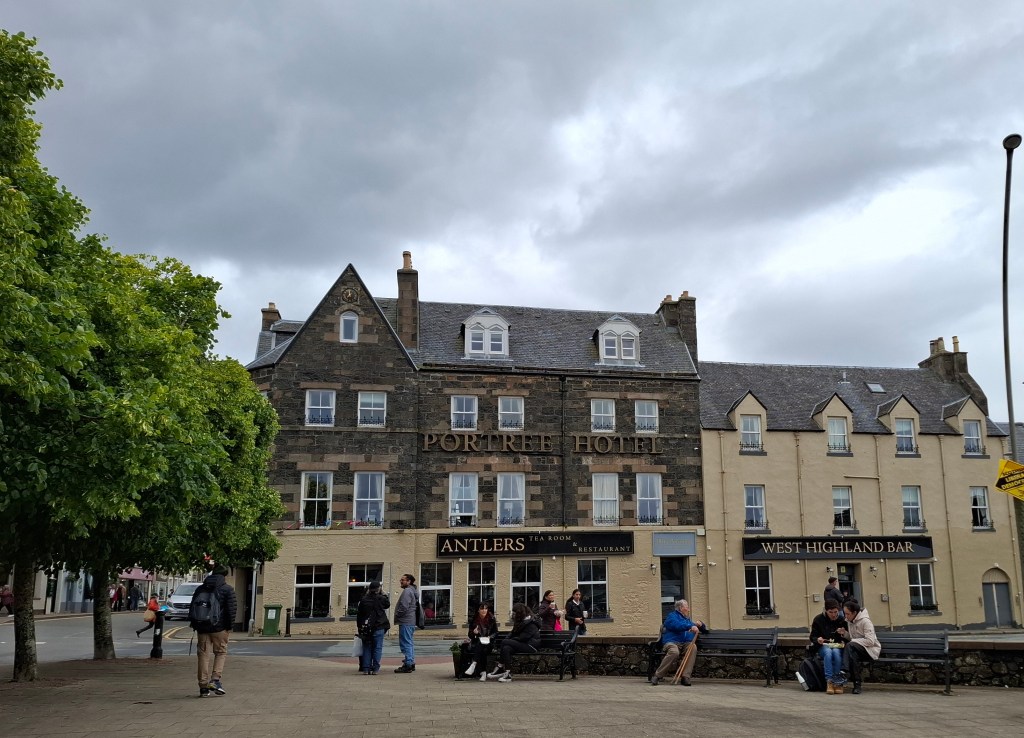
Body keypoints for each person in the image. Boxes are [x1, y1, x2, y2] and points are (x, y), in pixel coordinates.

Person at [191, 563, 238, 698]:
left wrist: (195, 625)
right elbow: (231, 610)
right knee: (220, 652)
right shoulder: (227, 589)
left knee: (203, 655)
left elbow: (193, 608)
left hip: (202, 627)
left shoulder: (200, 588)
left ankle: (203, 687)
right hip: (219, 627)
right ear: (224, 575)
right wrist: (229, 627)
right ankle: (215, 680)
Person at [651, 598, 708, 686]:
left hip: (685, 643)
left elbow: (703, 630)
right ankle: (657, 675)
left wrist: (701, 624)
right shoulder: (672, 616)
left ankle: (685, 677)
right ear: (681, 608)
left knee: (693, 647)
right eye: (687, 607)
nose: (688, 609)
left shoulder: (687, 619)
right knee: (674, 652)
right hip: (672, 642)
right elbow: (676, 625)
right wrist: (690, 626)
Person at [486, 602, 541, 683]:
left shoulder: (531, 623)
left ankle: (500, 666)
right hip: (522, 644)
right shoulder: (520, 622)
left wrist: (509, 640)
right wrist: (509, 638)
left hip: (531, 646)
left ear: (520, 613)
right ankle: (507, 673)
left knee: (505, 642)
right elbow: (513, 633)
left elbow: (524, 638)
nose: (513, 614)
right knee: (506, 648)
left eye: (515, 613)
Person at [838, 599, 881, 694]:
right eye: (845, 613)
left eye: (848, 614)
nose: (846, 616)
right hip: (857, 649)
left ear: (854, 613)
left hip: (870, 650)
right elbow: (853, 639)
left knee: (850, 646)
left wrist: (853, 641)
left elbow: (870, 641)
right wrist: (845, 634)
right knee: (853, 656)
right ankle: (857, 685)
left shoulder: (866, 622)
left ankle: (845, 670)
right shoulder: (850, 621)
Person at [809, 599, 849, 694]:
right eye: (830, 612)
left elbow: (848, 637)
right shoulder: (818, 619)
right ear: (826, 611)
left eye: (835, 612)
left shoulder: (842, 620)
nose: (833, 615)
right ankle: (829, 681)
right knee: (828, 653)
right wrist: (817, 639)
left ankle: (837, 681)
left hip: (837, 645)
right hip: (824, 645)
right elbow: (812, 636)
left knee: (835, 653)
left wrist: (844, 634)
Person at [356, 580, 390, 675]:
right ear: (378, 588)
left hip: (366, 628)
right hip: (379, 626)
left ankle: (366, 668)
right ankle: (375, 669)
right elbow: (387, 604)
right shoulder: (381, 598)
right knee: (377, 648)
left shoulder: (363, 600)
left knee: (367, 647)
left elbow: (359, 615)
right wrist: (383, 594)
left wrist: (360, 627)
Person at [462, 601, 499, 680]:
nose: (484, 610)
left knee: (483, 646)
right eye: (482, 609)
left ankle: (475, 664)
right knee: (482, 648)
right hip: (478, 643)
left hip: (489, 643)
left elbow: (496, 632)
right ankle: (483, 673)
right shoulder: (474, 619)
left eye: (486, 609)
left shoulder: (491, 618)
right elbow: (470, 634)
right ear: (478, 610)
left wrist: (490, 637)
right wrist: (474, 633)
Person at [393, 573, 419, 673]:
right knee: (409, 642)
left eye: (403, 580)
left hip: (406, 620)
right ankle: (411, 662)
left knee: (406, 643)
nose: (401, 581)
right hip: (410, 621)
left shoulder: (407, 591)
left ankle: (408, 664)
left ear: (409, 582)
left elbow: (404, 606)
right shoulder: (413, 591)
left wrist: (398, 615)